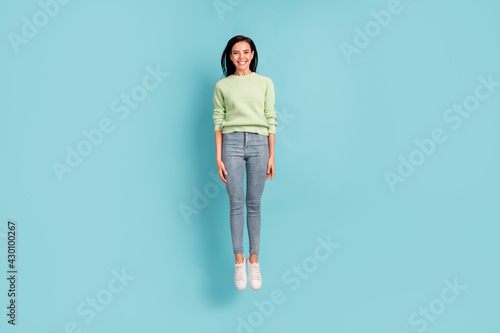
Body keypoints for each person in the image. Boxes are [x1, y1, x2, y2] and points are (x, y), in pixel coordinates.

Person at [213, 35, 277, 291]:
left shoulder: (265, 83)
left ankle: (254, 259)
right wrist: (218, 156)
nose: (241, 57)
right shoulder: (222, 86)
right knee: (236, 203)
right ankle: (239, 259)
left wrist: (272, 155)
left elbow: (270, 118)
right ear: (230, 56)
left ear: (252, 54)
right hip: (231, 143)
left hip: (260, 143)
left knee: (255, 204)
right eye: (236, 53)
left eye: (246, 52)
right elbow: (218, 121)